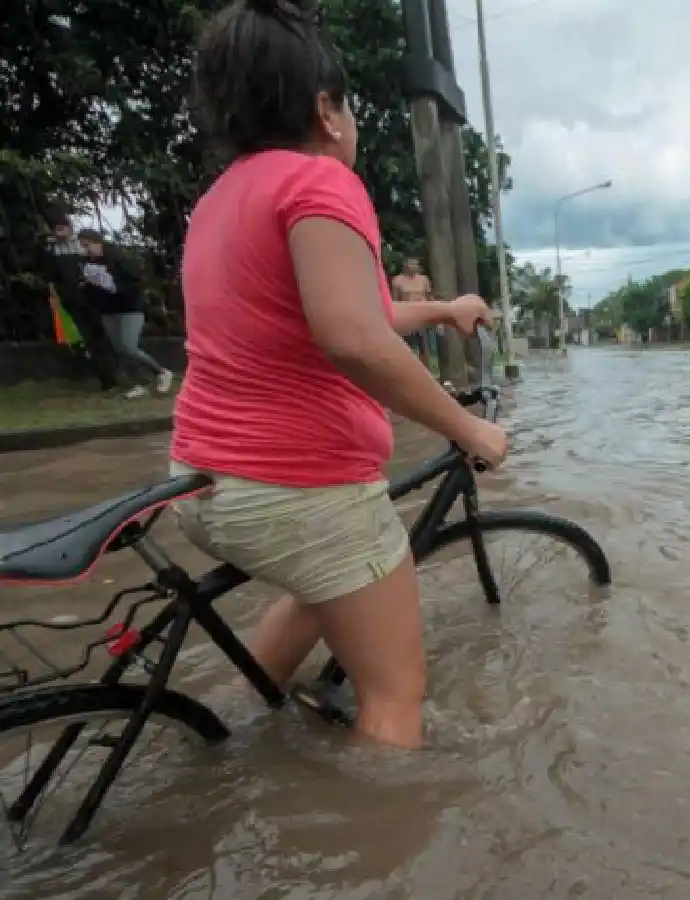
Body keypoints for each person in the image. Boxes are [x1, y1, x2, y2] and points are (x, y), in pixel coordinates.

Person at [171, 0, 507, 749]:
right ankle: (385, 852)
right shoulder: (319, 182)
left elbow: (351, 314)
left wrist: (444, 308)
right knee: (394, 698)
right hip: (300, 491)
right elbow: (353, 338)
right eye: (348, 104)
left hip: (207, 485)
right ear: (327, 110)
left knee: (321, 589)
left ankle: (220, 743)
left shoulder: (220, 201)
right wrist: (466, 426)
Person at [77, 229, 174, 398]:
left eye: (87, 245)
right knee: (120, 349)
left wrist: (116, 287)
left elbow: (136, 282)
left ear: (97, 242)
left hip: (130, 308)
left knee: (129, 346)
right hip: (108, 310)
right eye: (83, 246)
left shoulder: (119, 259)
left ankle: (161, 372)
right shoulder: (88, 264)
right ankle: (139, 383)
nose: (86, 250)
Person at [42, 215, 120, 391]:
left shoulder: (81, 246)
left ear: (70, 229)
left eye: (63, 228)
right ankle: (105, 379)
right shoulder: (52, 251)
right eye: (57, 229)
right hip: (71, 298)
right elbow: (50, 276)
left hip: (90, 296)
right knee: (87, 337)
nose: (60, 233)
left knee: (101, 335)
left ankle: (112, 372)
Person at [391, 257, 433, 368]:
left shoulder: (424, 279)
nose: (415, 266)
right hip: (407, 316)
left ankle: (426, 372)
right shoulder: (398, 280)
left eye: (416, 264)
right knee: (407, 348)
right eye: (412, 264)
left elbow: (429, 298)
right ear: (405, 265)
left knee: (424, 347)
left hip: (422, 317)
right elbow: (394, 301)